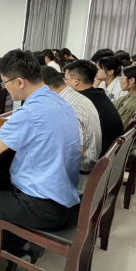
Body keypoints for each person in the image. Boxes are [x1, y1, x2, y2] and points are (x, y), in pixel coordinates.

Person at [0, 49, 80, 271]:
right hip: (62, 196)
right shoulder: (58, 101)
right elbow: (31, 133)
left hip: (43, 206)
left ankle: (19, 247)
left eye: (5, 83)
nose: (6, 89)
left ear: (19, 82)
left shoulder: (30, 111)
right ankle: (17, 239)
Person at [42, 66, 102, 194]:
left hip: (79, 176)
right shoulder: (77, 97)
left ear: (46, 87)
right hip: (90, 164)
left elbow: (73, 153)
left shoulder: (64, 106)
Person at [64, 60, 123, 156]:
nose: (65, 83)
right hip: (111, 153)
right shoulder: (99, 94)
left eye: (66, 79)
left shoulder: (79, 103)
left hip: (99, 156)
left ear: (75, 81)